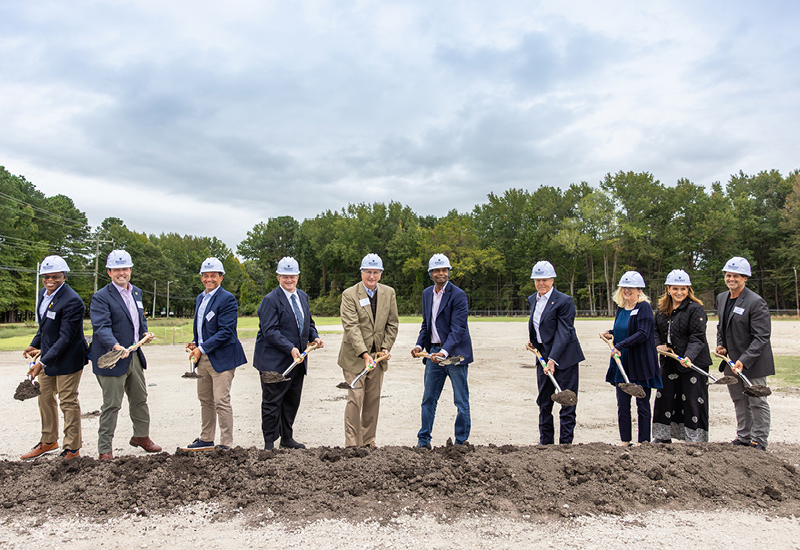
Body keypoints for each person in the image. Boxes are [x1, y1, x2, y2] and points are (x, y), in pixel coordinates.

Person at [90, 250, 159, 460]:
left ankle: (141, 437)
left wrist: (145, 333)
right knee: (112, 404)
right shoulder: (101, 297)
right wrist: (115, 345)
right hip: (111, 358)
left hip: (134, 356)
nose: (122, 273)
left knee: (140, 399)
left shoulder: (136, 292)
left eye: (125, 269)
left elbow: (139, 319)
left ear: (130, 270)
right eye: (117, 269)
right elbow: (101, 327)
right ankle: (105, 449)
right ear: (109, 272)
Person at [21, 256, 89, 460]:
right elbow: (44, 327)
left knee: (68, 401)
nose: (49, 280)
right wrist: (35, 344)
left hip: (69, 358)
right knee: (44, 398)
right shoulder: (44, 293)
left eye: (55, 276)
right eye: (46, 276)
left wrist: (41, 362)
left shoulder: (73, 301)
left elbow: (66, 338)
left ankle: (72, 448)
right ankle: (49, 440)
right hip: (49, 356)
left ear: (64, 276)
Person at [253, 257, 323, 450]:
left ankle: (287, 438)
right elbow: (270, 331)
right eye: (285, 276)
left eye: (292, 276)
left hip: (298, 360)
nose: (289, 280)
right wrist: (291, 348)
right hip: (274, 361)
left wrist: (314, 337)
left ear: (298, 277)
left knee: (292, 401)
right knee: (272, 402)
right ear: (278, 277)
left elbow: (308, 323)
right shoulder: (270, 300)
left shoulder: (302, 297)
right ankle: (269, 443)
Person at [183, 257, 247, 451]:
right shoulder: (200, 298)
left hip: (223, 358)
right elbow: (203, 326)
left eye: (213, 276)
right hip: (203, 357)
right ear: (201, 277)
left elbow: (226, 331)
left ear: (221, 278)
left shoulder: (227, 299)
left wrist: (201, 348)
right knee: (205, 400)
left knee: (221, 400)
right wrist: (196, 342)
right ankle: (206, 438)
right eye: (205, 275)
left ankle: (226, 443)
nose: (209, 279)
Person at [411, 253, 473, 449]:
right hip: (433, 354)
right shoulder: (427, 294)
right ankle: (423, 442)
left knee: (461, 401)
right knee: (428, 399)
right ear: (431, 273)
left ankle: (461, 443)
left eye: (444, 270)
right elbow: (426, 325)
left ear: (448, 272)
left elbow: (458, 329)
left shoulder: (458, 295)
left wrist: (444, 353)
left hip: (454, 355)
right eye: (437, 270)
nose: (441, 273)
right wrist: (420, 346)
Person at [338, 254, 399, 448]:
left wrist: (385, 348)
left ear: (380, 274)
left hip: (377, 358)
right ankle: (352, 444)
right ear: (361, 273)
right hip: (355, 358)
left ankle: (368, 441)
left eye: (375, 272)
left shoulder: (389, 293)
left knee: (372, 401)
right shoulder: (349, 294)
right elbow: (351, 327)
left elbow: (392, 324)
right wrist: (365, 355)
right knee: (355, 399)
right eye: (368, 272)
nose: (371, 276)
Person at [715, 256, 774, 451]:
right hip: (731, 363)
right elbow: (721, 327)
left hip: (752, 363)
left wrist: (744, 360)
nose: (731, 279)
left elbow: (762, 337)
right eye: (728, 275)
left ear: (745, 278)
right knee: (739, 400)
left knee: (757, 401)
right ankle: (744, 437)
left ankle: (759, 441)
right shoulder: (722, 298)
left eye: (736, 276)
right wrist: (721, 344)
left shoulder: (756, 302)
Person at [526, 261, 585, 445]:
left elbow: (564, 332)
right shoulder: (532, 299)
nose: (541, 283)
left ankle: (565, 445)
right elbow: (538, 326)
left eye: (544, 279)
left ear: (552, 279)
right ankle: (546, 444)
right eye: (537, 280)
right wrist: (535, 344)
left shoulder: (564, 301)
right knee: (544, 401)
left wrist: (553, 359)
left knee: (566, 400)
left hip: (565, 357)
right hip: (543, 356)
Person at [653, 269, 713, 443]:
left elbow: (697, 337)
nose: (679, 292)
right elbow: (656, 330)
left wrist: (689, 357)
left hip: (693, 362)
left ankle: (694, 439)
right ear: (668, 289)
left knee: (692, 400)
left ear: (688, 290)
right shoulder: (662, 309)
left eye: (683, 289)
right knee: (665, 397)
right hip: (670, 361)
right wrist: (659, 344)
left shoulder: (695, 309)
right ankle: (663, 436)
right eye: (675, 288)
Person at [603, 271, 662, 446]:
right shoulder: (621, 308)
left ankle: (643, 442)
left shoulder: (643, 307)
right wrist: (611, 333)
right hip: (622, 363)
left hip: (640, 363)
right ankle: (625, 441)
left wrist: (619, 346)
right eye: (624, 288)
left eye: (631, 288)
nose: (627, 291)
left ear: (639, 290)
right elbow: (624, 329)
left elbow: (643, 333)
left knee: (642, 405)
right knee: (622, 405)